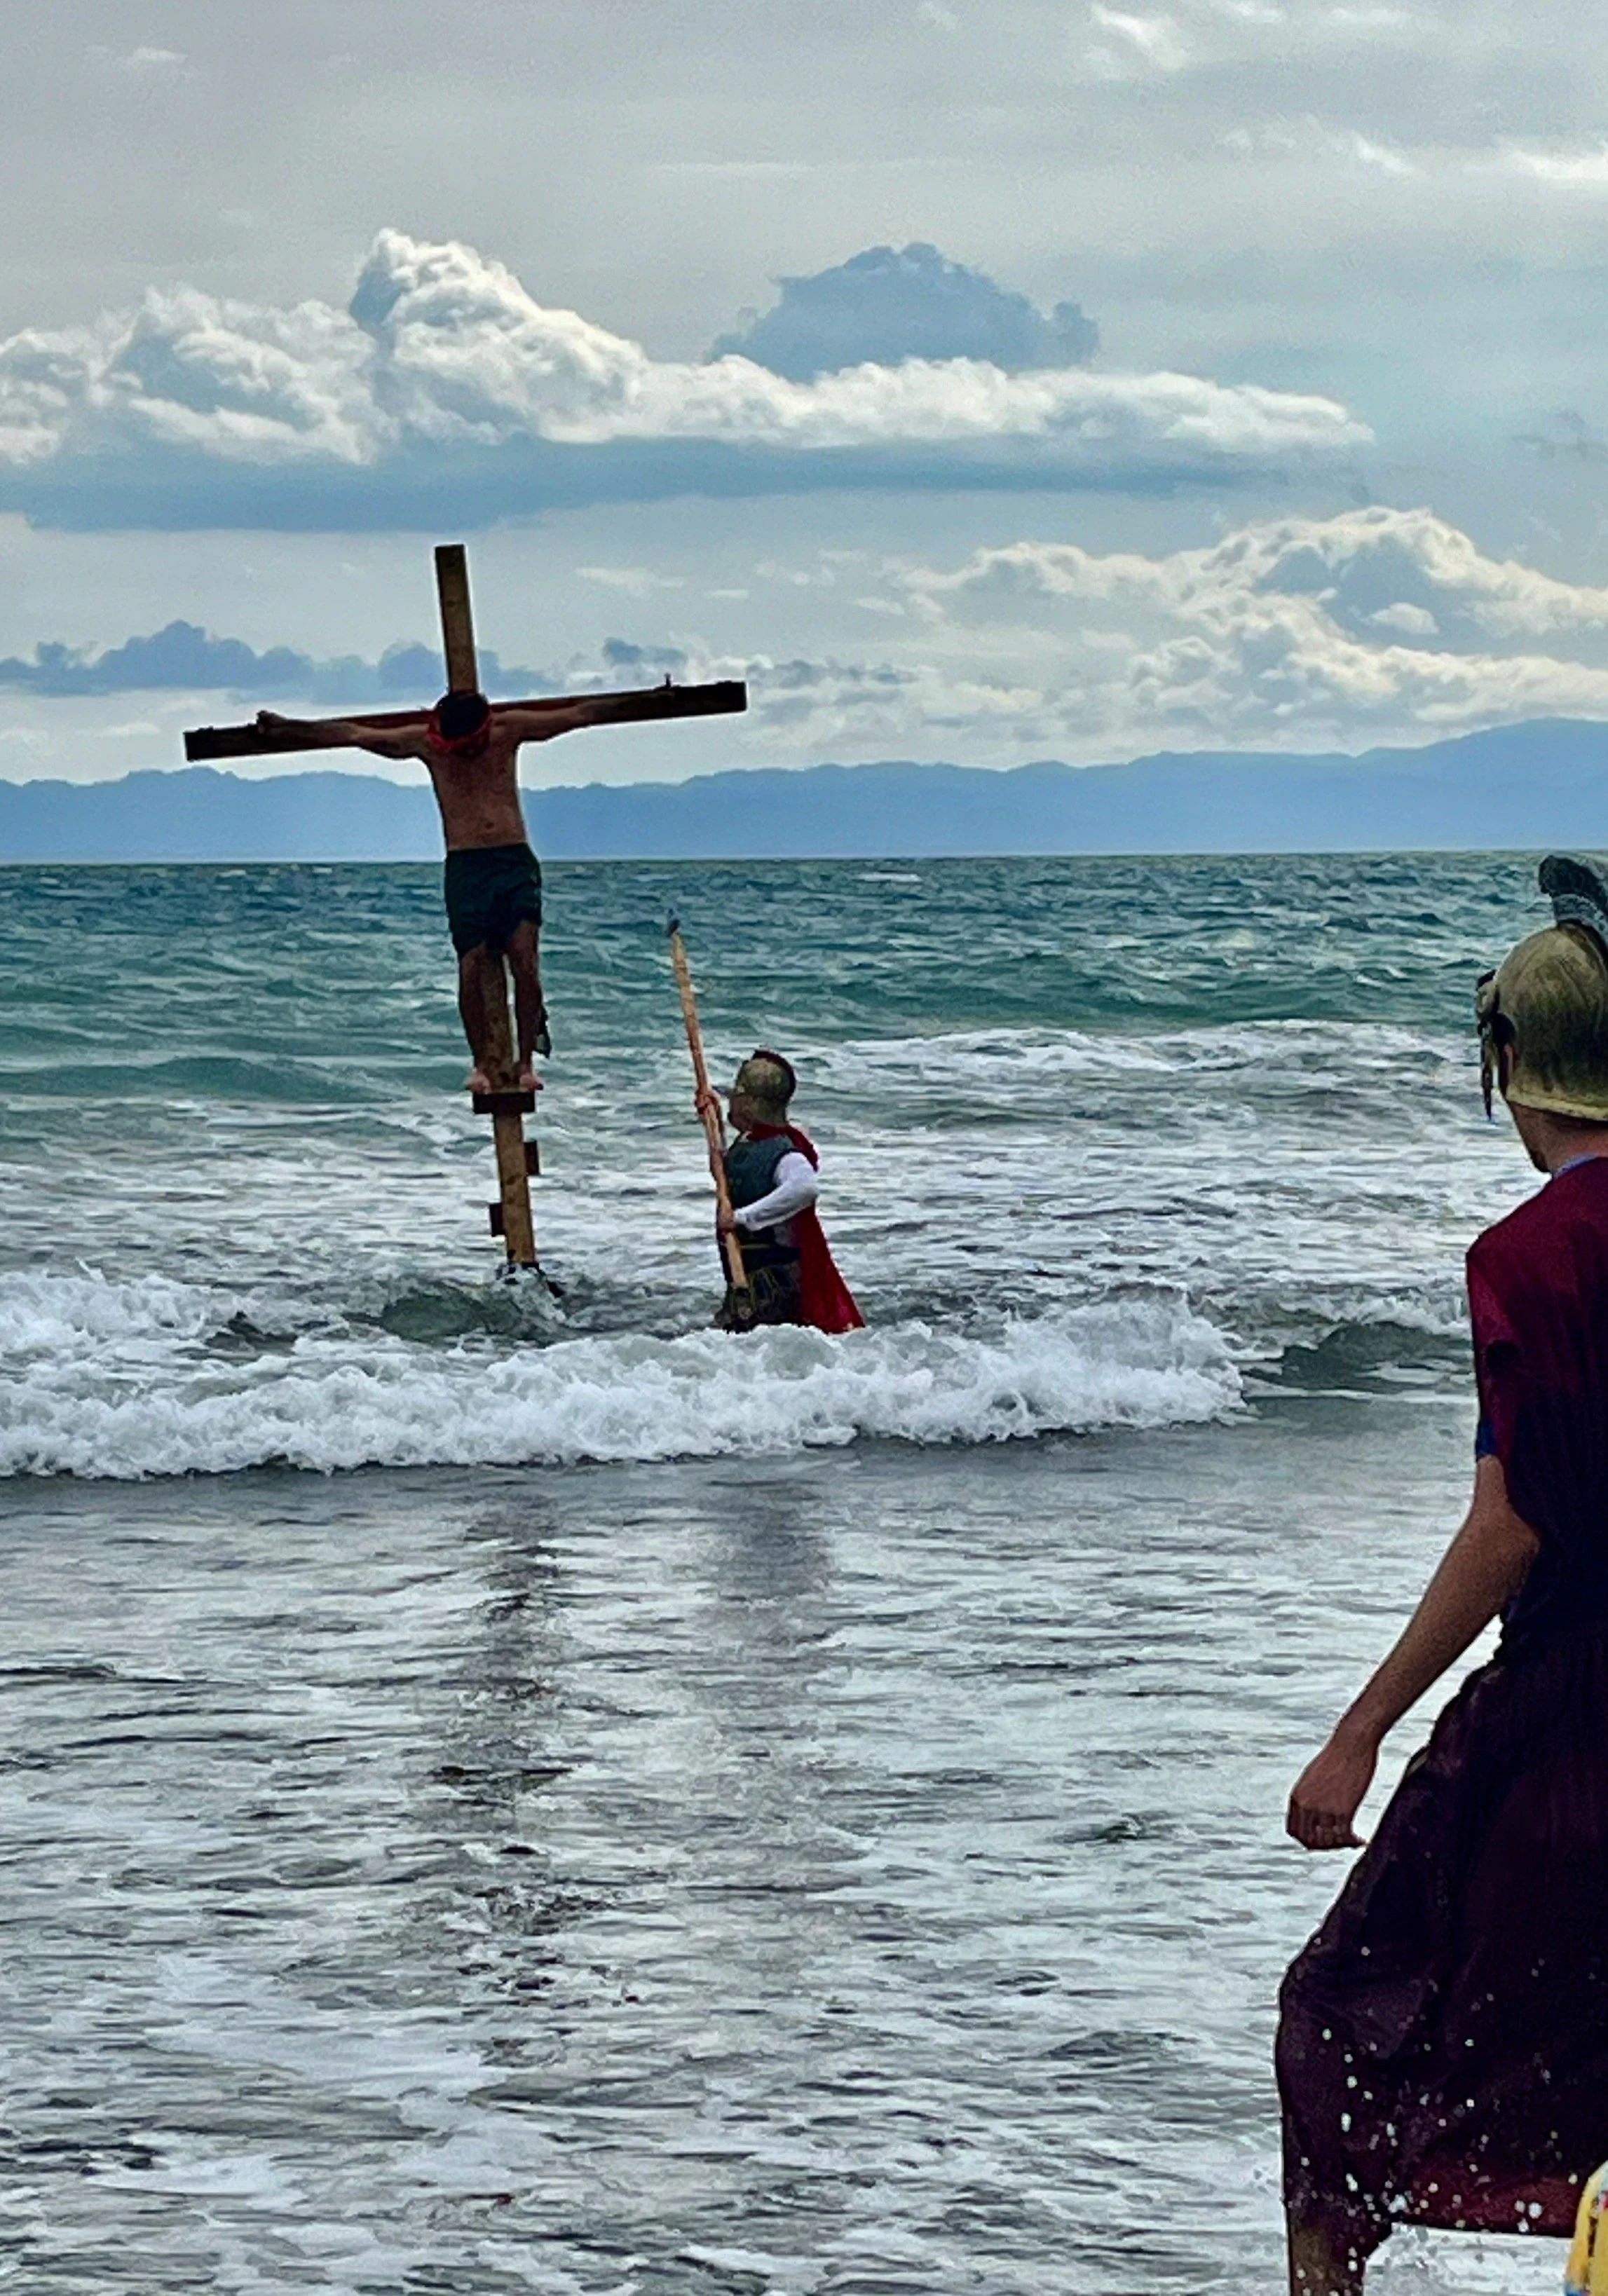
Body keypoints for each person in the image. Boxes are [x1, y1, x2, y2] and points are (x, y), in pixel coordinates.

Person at [1277, 854, 1608, 2295]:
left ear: (1504, 1061)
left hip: (1572, 1709)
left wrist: (1360, 1730)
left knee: (1340, 2016)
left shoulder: (1532, 1255)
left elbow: (1513, 1520)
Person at [257, 688, 618, 1094]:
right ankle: (481, 1063)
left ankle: (526, 1063)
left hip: (513, 859)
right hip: (467, 866)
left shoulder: (507, 731)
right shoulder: (428, 744)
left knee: (525, 962)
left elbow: (581, 713)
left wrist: (659, 698)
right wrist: (288, 727)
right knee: (472, 961)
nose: (465, 752)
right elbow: (354, 734)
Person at [713, 1050, 864, 1334]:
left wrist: (742, 1218)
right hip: (746, 1281)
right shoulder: (749, 1143)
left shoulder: (782, 1151)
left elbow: (805, 1188)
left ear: (749, 1104)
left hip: (774, 1285)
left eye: (736, 1097)